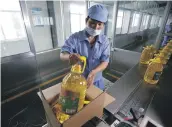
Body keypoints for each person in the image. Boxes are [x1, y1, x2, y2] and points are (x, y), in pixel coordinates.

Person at [60, 4, 110, 90]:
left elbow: (105, 62)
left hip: (96, 80)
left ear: (103, 25)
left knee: (97, 102)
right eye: (92, 23)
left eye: (99, 24)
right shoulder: (75, 38)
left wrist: (93, 72)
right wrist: (70, 56)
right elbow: (62, 54)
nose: (96, 27)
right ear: (86, 20)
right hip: (78, 80)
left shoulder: (104, 41)